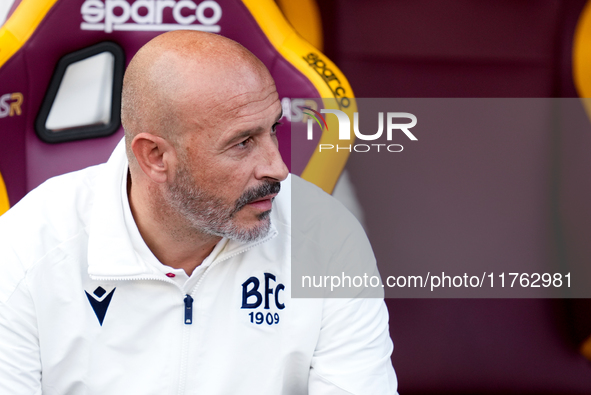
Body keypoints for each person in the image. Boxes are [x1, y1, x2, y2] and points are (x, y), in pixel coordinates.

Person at [0, 31, 397, 394]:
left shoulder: (327, 236)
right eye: (242, 143)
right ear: (154, 156)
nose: (277, 168)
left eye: (272, 129)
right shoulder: (26, 246)